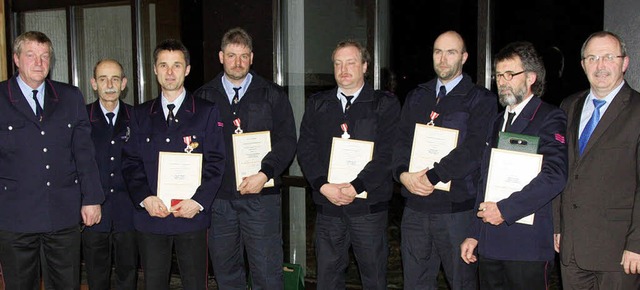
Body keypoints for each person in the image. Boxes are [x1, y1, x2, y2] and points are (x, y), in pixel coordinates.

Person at [392, 30, 497, 289]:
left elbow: (473, 150)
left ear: (464, 57)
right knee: (415, 283)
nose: (443, 59)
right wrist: (403, 174)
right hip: (415, 209)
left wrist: (432, 176)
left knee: (462, 283)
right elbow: (401, 142)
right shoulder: (417, 96)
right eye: (438, 52)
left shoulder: (481, 99)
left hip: (456, 212)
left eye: (451, 52)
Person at [193, 27, 296, 289]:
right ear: (220, 57)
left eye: (243, 56)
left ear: (251, 58)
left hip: (261, 198)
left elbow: (286, 141)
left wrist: (265, 174)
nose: (237, 62)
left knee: (268, 273)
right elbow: (195, 147)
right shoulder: (204, 97)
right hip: (219, 202)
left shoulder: (272, 94)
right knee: (227, 274)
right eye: (231, 55)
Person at [0, 31, 104, 289]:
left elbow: (84, 153)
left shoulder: (70, 97)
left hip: (63, 214)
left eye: (45, 56)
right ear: (16, 59)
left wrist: (91, 199)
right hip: (15, 217)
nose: (39, 63)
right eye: (31, 56)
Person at [460, 41, 568, 289]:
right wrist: (474, 233)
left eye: (510, 74)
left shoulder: (549, 117)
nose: (502, 81)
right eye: (498, 75)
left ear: (531, 77)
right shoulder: (497, 121)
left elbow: (555, 175)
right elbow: (485, 179)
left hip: (526, 247)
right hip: (490, 244)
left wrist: (505, 210)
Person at [122, 39, 225, 290]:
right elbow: (131, 162)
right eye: (164, 65)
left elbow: (216, 161)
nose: (170, 72)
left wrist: (198, 202)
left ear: (187, 69)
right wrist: (145, 197)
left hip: (191, 215)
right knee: (154, 284)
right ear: (155, 70)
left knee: (194, 284)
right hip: (152, 216)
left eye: (176, 65)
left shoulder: (206, 111)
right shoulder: (139, 114)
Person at [297, 39, 401, 289]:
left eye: (351, 63)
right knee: (327, 280)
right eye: (338, 63)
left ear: (365, 66)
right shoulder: (317, 103)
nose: (344, 69)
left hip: (368, 210)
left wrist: (356, 186)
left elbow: (387, 154)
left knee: (374, 279)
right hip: (328, 208)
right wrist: (322, 185)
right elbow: (306, 149)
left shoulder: (385, 104)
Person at [553, 31, 640, 289]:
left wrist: (637, 244)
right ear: (583, 65)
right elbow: (560, 168)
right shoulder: (568, 106)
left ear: (624, 63)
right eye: (592, 58)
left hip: (619, 251)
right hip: (571, 248)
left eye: (608, 57)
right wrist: (557, 226)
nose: (600, 65)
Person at [83, 58, 138, 290]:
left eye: (115, 79)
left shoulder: (137, 118)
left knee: (128, 274)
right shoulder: (82, 119)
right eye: (103, 79)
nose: (109, 84)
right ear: (94, 83)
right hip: (94, 212)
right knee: (96, 275)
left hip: (129, 211)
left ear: (123, 83)